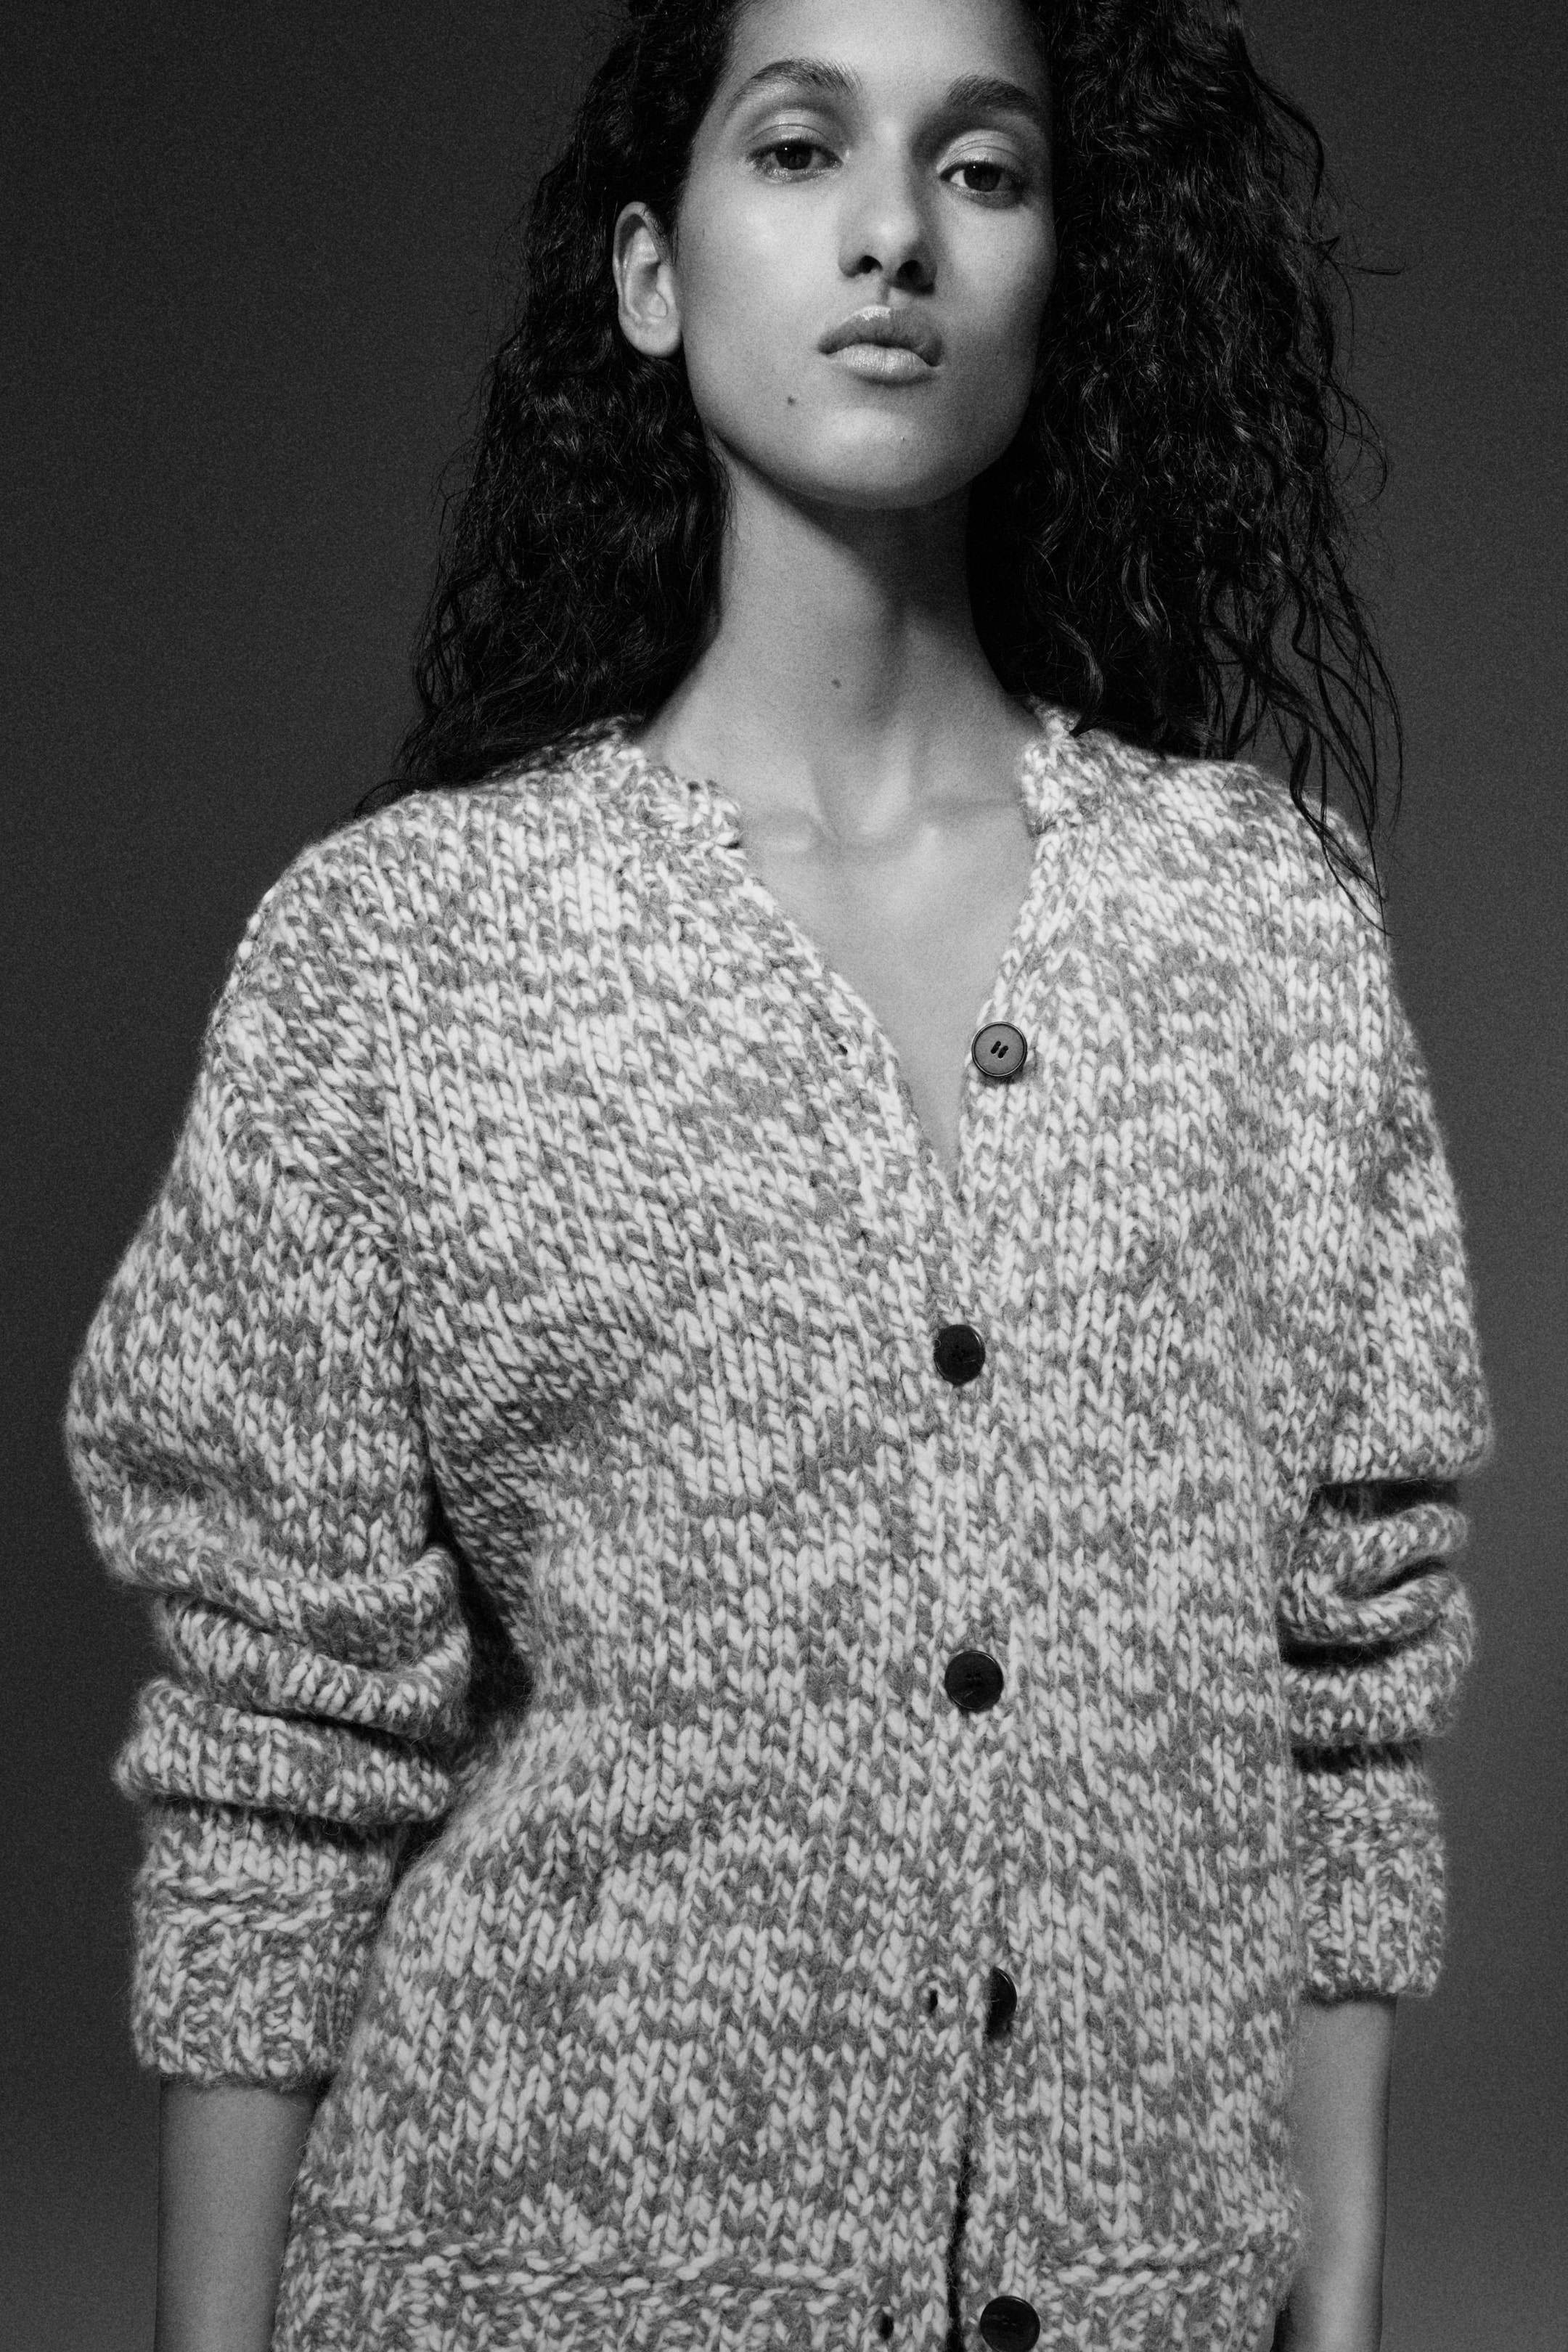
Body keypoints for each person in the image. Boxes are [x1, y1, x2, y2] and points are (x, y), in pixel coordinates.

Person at [63, 0, 1495, 2346]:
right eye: (801, 144)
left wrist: (1327, 2272)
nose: (893, 237)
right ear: (651, 272)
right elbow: (275, 1760)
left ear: (1059, 272)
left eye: (987, 170)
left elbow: (1341, 1678)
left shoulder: (1265, 926)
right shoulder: (401, 958)